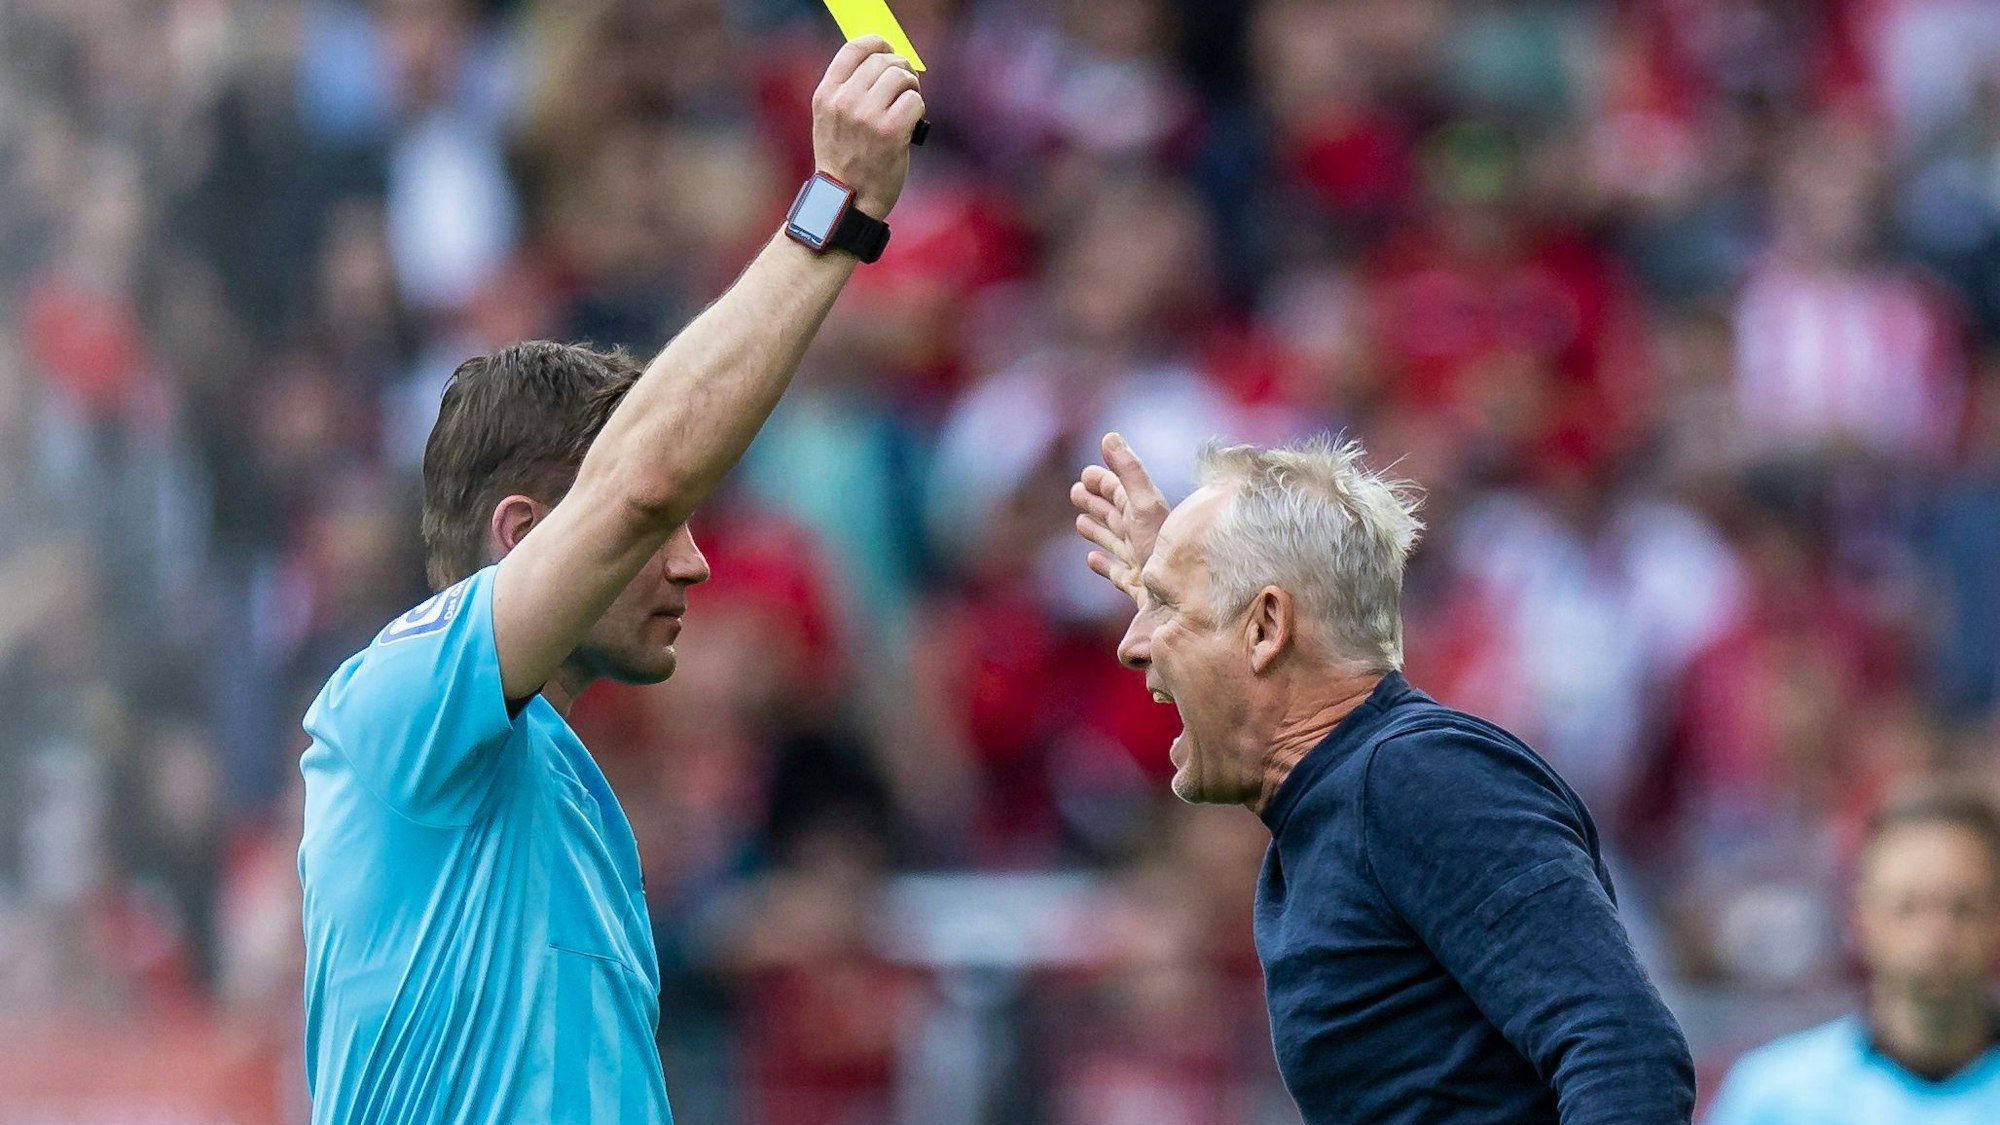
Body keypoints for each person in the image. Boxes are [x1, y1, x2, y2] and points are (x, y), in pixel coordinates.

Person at [295, 38, 924, 1124]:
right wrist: (836, 206)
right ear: (523, 534)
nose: (694, 561)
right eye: (662, 530)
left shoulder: (578, 799)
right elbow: (640, 482)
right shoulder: (390, 703)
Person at [1069, 432, 1696, 1123]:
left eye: (1163, 607)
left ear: (1266, 626)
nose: (1132, 646)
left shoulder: (1419, 777)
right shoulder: (1347, 799)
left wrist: (1199, 599)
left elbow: (1626, 1056)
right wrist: (1186, 590)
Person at [1706, 791, 2000, 1124]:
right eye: (1908, 907)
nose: (1937, 934)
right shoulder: (1772, 1099)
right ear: (1860, 918)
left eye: (1963, 907)